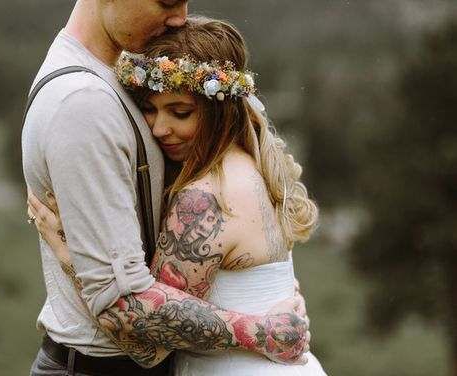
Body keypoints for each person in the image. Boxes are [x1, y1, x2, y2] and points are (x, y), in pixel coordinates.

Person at [27, 14, 325, 376]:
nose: (159, 128)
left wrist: (66, 248)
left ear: (219, 112)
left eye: (180, 112)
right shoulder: (250, 163)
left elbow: (147, 345)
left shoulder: (204, 198)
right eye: (150, 109)